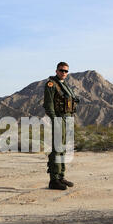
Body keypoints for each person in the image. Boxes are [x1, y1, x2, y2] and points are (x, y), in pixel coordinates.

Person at [43, 62, 78, 190]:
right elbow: (48, 104)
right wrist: (54, 119)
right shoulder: (51, 84)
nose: (64, 73)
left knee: (63, 148)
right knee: (57, 149)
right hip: (58, 119)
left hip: (67, 118)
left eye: (66, 71)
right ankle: (54, 180)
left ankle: (61, 176)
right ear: (56, 71)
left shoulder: (64, 85)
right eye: (61, 70)